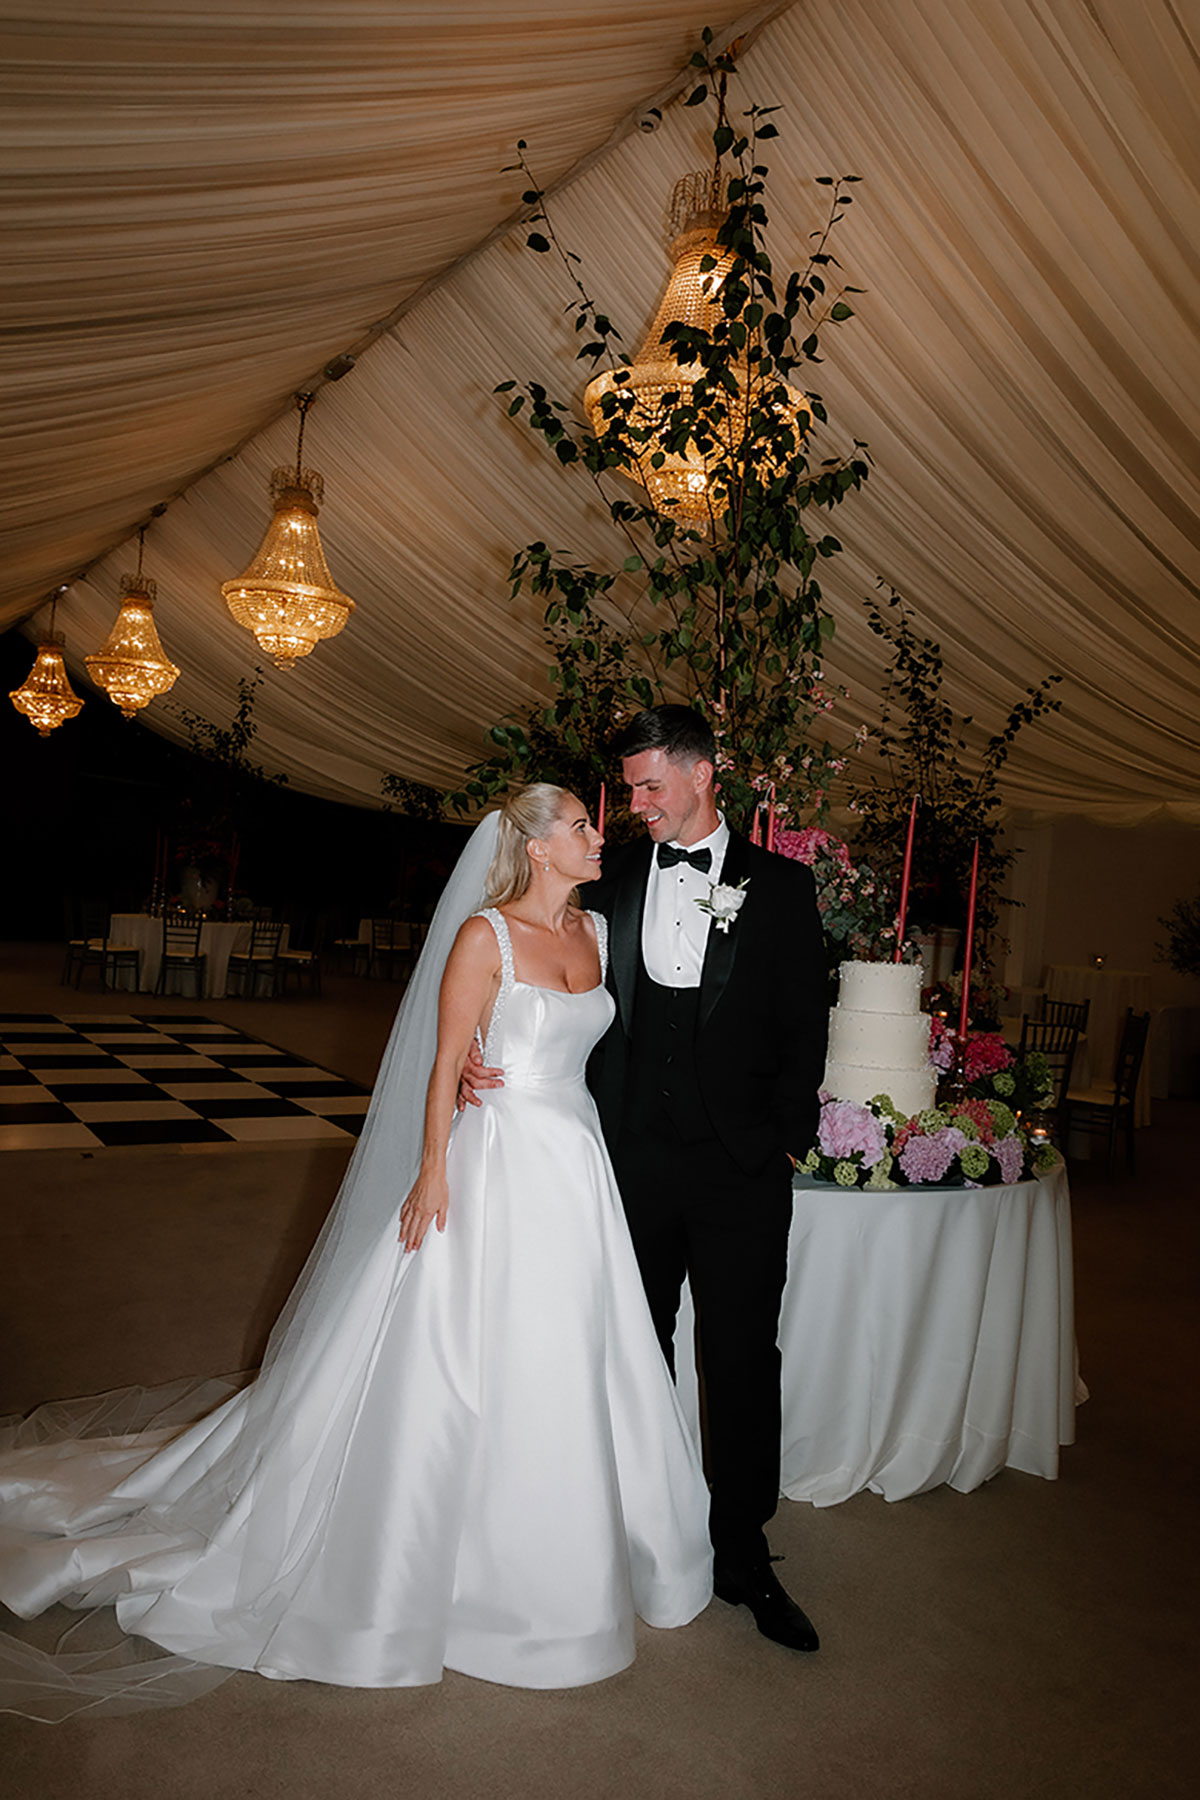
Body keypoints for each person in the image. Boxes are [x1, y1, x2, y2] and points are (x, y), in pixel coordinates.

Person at [0, 788, 711, 1720]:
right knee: (464, 1354)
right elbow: (441, 1056)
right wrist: (431, 1171)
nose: (596, 835)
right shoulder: (482, 939)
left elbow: (606, 1048)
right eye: (580, 824)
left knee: (581, 1348)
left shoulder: (599, 933)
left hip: (576, 1165)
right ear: (536, 848)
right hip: (493, 1164)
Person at [464, 709, 828, 1653]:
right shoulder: (612, 877)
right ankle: (624, 1522)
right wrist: (474, 1055)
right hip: (624, 1159)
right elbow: (516, 963)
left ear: (707, 775)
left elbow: (802, 1021)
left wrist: (783, 1137)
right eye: (628, 790)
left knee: (743, 1355)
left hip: (741, 1168)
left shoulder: (781, 888)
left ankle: (742, 1548)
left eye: (650, 786)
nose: (635, 806)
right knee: (628, 1341)